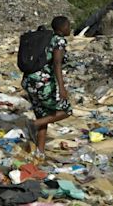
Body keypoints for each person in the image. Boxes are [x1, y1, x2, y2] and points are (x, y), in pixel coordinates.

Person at [23, 16, 73, 159]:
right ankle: (33, 124)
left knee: (45, 115)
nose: (70, 28)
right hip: (43, 83)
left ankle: (40, 152)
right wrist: (61, 87)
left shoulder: (46, 38)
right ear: (62, 28)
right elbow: (57, 63)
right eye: (68, 25)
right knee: (66, 110)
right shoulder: (59, 40)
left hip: (30, 81)